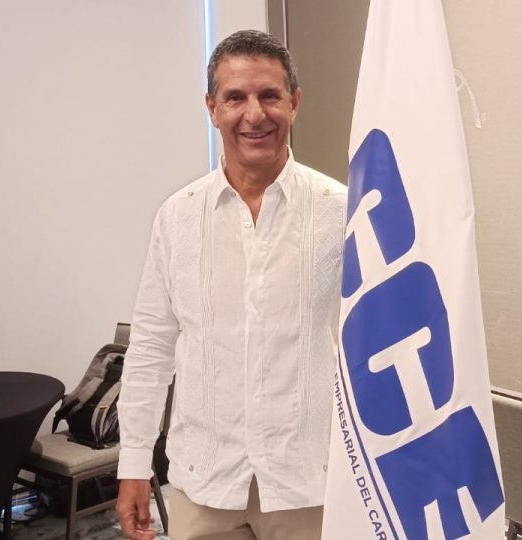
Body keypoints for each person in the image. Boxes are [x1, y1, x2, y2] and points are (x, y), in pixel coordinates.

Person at [115, 29, 346, 540]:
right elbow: (152, 346)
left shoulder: (340, 211)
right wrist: (133, 463)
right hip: (205, 482)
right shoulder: (178, 218)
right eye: (235, 97)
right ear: (212, 108)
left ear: (295, 102)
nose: (254, 114)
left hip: (309, 484)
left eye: (269, 95)